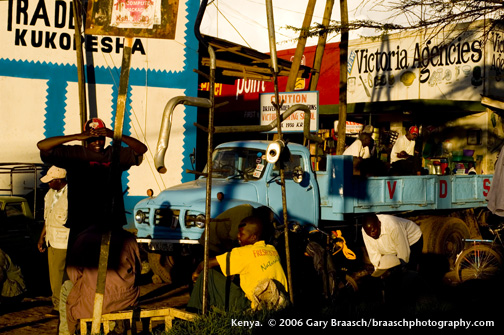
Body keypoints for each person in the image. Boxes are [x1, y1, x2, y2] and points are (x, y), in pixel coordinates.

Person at [37, 117, 147, 249]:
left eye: (101, 137)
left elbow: (141, 149)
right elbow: (42, 146)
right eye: (92, 138)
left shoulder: (115, 154)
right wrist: (77, 136)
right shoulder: (74, 154)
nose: (97, 142)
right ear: (86, 138)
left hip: (110, 222)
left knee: (111, 265)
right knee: (80, 265)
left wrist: (114, 134)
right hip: (81, 222)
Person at [188, 216, 288, 312]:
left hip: (255, 306)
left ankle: (192, 313)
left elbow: (205, 263)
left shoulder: (243, 253)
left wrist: (196, 273)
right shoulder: (271, 249)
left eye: (242, 234)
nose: (238, 236)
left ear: (253, 237)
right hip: (279, 302)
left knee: (208, 275)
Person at [59, 224, 141, 335]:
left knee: (67, 287)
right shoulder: (129, 238)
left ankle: (66, 333)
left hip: (94, 300)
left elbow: (73, 272)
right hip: (127, 299)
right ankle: (113, 323)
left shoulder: (84, 238)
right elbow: (138, 269)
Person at [37, 166, 69, 317]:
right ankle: (59, 303)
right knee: (55, 276)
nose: (48, 184)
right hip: (52, 240)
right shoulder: (50, 194)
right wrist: (41, 237)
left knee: (63, 276)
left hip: (65, 242)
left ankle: (60, 306)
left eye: (50, 181)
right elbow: (47, 218)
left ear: (58, 180)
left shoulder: (70, 196)